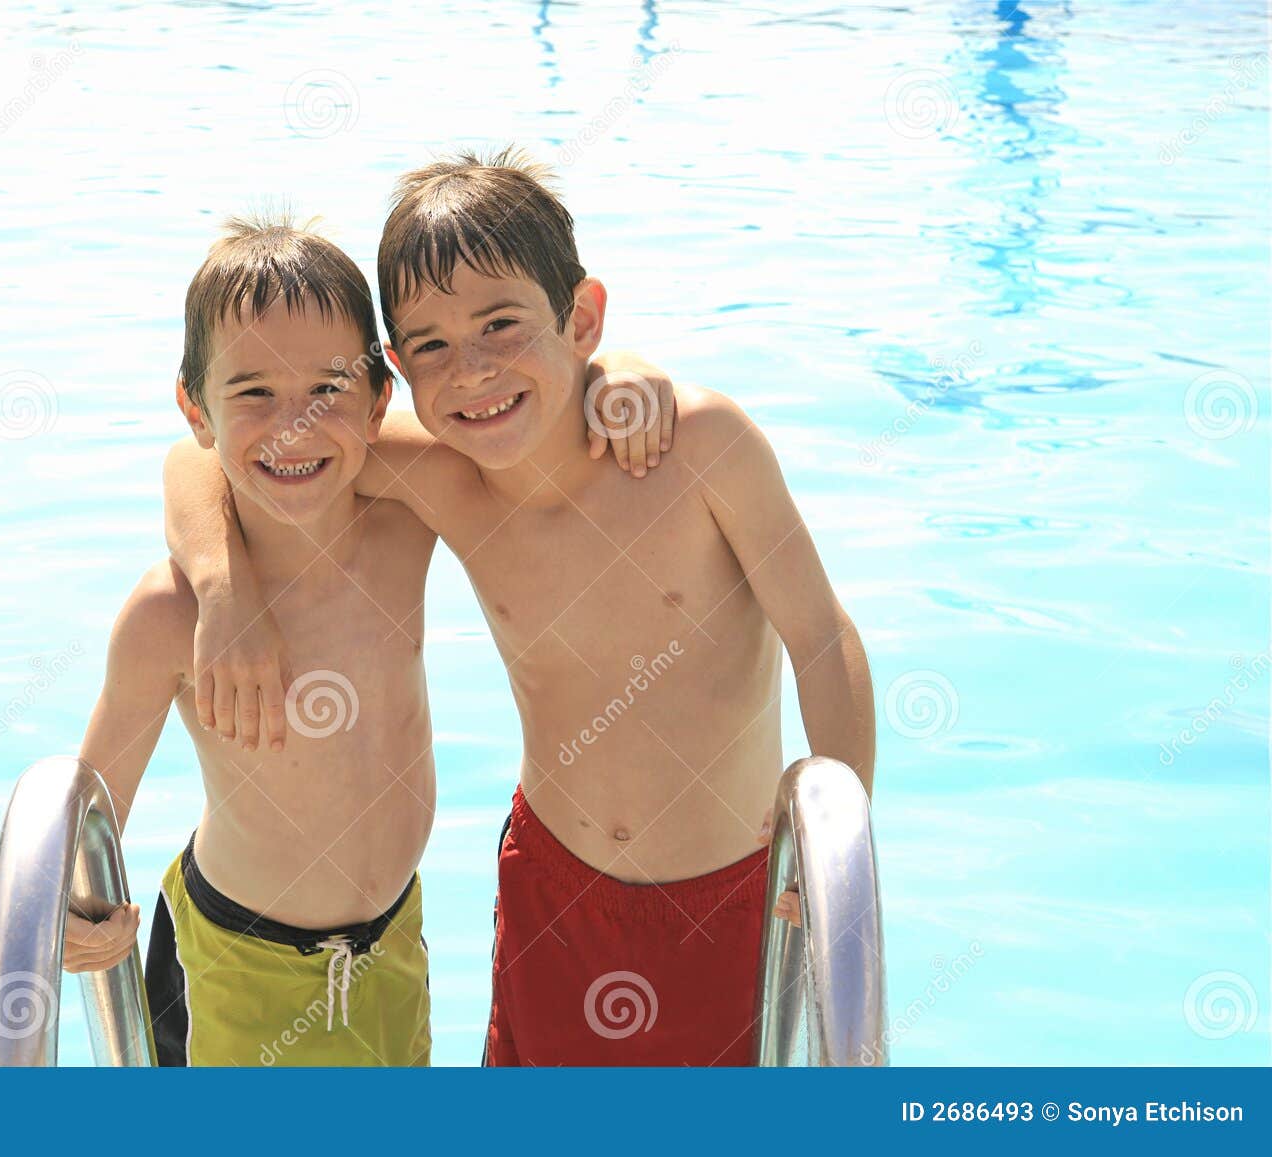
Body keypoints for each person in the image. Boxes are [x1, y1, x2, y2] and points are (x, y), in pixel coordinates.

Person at [163, 149, 875, 1066]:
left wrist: (837, 856)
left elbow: (821, 634)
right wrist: (223, 592)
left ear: (580, 318)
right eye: (431, 347)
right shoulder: (440, 471)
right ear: (394, 371)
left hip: (733, 896)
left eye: (503, 326)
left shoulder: (695, 447)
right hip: (555, 894)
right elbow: (208, 453)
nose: (473, 372)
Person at [63, 213, 676, 1066]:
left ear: (380, 396)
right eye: (254, 394)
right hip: (240, 965)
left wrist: (620, 369)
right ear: (194, 406)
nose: (294, 427)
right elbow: (89, 806)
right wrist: (73, 921)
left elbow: (521, 417)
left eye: (327, 389)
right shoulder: (172, 615)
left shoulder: (402, 522)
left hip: (391, 942)